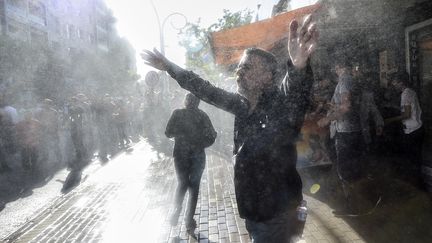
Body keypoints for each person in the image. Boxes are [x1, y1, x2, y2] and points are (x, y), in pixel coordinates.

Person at [142, 15, 317, 242]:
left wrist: (298, 66)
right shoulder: (242, 105)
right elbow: (205, 89)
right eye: (239, 67)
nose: (238, 72)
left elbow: (294, 92)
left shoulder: (280, 106)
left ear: (266, 76)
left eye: (246, 67)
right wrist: (169, 67)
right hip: (255, 213)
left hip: (277, 215)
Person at [165, 93, 217, 232]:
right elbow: (212, 135)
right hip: (198, 155)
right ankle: (189, 220)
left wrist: (181, 135)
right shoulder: (203, 116)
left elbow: (168, 132)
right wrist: (201, 143)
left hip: (180, 154)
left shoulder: (177, 113)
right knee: (194, 187)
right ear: (198, 102)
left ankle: (176, 209)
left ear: (185, 101)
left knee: (182, 183)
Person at [318, 61, 364, 215]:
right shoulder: (351, 80)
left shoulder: (345, 81)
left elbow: (346, 107)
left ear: (340, 67)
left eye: (336, 67)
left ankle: (352, 206)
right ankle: (355, 204)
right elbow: (345, 105)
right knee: (351, 169)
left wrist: (328, 119)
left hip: (346, 132)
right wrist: (331, 106)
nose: (335, 70)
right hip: (352, 131)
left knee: (345, 170)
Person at [385, 72, 424, 187]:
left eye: (395, 83)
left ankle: (416, 187)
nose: (394, 85)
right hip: (417, 129)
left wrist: (390, 120)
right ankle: (418, 186)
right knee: (415, 160)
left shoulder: (405, 94)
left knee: (412, 162)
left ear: (401, 82)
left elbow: (406, 114)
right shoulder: (411, 92)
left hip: (412, 132)